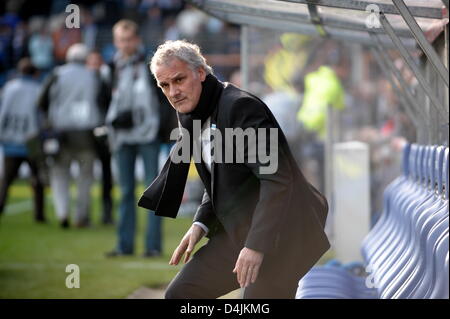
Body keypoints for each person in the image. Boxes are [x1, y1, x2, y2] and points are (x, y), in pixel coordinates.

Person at [138, 40, 330, 299]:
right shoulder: (192, 114)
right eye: (165, 85)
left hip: (284, 232)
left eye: (179, 80)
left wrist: (255, 246)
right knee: (181, 294)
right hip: (241, 228)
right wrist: (200, 223)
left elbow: (277, 180)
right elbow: (220, 177)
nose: (173, 92)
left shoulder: (240, 107)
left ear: (201, 73)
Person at [105, 20, 169, 258]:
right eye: (121, 40)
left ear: (137, 40)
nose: (125, 44)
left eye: (129, 39)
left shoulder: (150, 65)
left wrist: (163, 128)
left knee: (152, 192)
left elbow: (164, 98)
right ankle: (124, 246)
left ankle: (153, 247)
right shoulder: (111, 66)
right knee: (124, 192)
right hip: (122, 137)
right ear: (115, 42)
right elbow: (105, 97)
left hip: (148, 134)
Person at [37, 43, 102, 228]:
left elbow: (41, 100)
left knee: (59, 173)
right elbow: (102, 100)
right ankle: (81, 216)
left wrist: (52, 117)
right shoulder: (93, 75)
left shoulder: (56, 74)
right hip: (86, 132)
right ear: (85, 58)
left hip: (60, 131)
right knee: (85, 177)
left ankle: (62, 213)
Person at [0, 58, 45, 222]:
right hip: (31, 140)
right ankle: (39, 215)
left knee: (6, 179)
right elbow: (41, 116)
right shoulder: (38, 89)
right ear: (35, 73)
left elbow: (2, 113)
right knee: (37, 179)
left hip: (10, 139)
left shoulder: (8, 88)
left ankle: (0, 207)